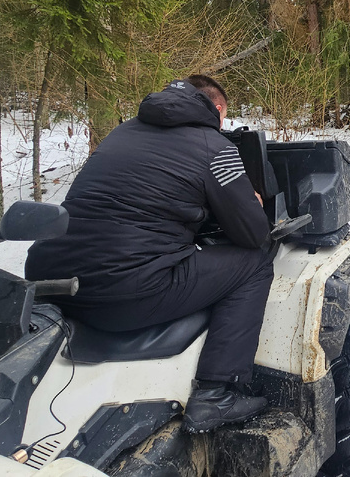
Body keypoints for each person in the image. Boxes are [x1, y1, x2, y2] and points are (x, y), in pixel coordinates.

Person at [25, 75, 273, 433]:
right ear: (218, 111)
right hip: (121, 294)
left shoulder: (122, 132)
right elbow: (253, 234)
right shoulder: (215, 146)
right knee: (254, 264)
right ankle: (217, 394)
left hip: (51, 281)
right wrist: (252, 204)